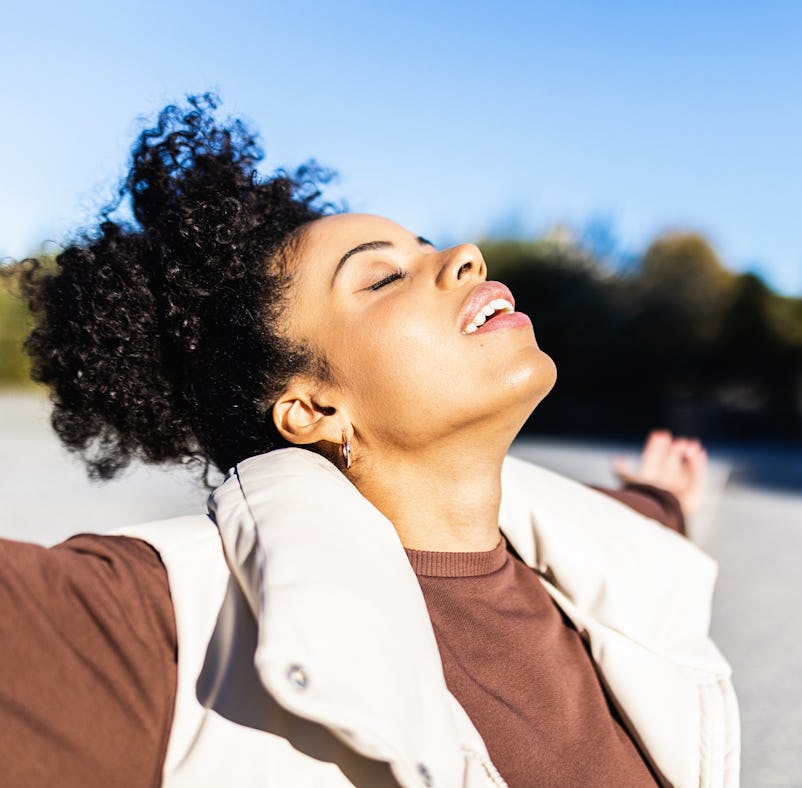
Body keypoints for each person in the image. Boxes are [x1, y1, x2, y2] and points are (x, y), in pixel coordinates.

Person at [0, 95, 738, 787]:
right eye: (383, 278)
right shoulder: (172, 619)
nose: (465, 256)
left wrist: (661, 494)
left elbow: (627, 519)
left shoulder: (591, 548)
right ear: (311, 408)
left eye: (426, 246)